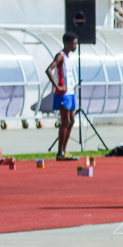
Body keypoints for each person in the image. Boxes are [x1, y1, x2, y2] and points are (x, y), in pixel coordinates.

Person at [45, 32, 79, 161]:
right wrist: (57, 86)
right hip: (63, 93)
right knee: (65, 121)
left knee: (71, 121)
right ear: (67, 43)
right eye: (73, 44)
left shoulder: (69, 57)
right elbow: (49, 70)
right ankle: (60, 152)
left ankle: (64, 150)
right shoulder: (60, 56)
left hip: (70, 92)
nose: (75, 46)